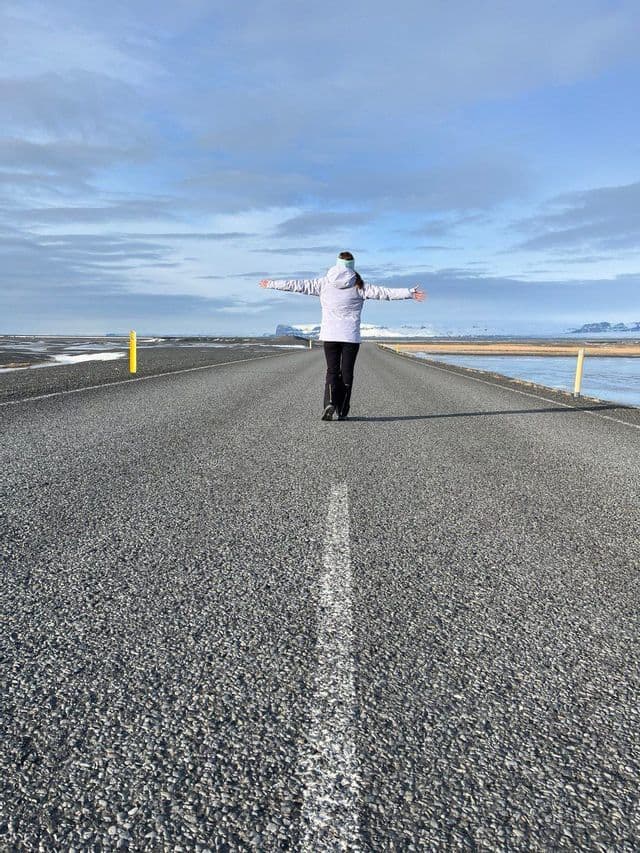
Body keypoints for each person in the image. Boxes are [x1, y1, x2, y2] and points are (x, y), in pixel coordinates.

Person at [259, 251, 426, 420]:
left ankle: (330, 402)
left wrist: (272, 284)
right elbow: (386, 293)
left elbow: (296, 284)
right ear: (352, 266)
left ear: (337, 263)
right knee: (347, 373)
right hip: (350, 338)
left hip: (330, 336)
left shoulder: (323, 283)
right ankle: (343, 410)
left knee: (332, 371)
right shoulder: (360, 286)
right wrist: (409, 292)